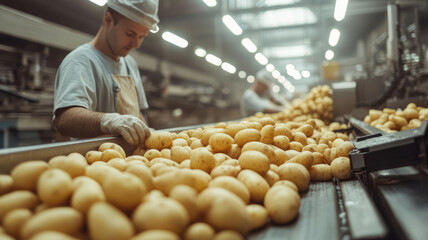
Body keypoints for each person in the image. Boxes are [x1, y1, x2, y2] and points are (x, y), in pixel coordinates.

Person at [53, 0, 159, 146]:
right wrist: (109, 121)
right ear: (108, 19)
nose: (136, 44)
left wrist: (145, 131)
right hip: (97, 161)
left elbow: (136, 113)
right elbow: (65, 119)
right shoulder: (81, 61)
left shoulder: (130, 64)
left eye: (142, 36)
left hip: (133, 160)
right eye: (130, 34)